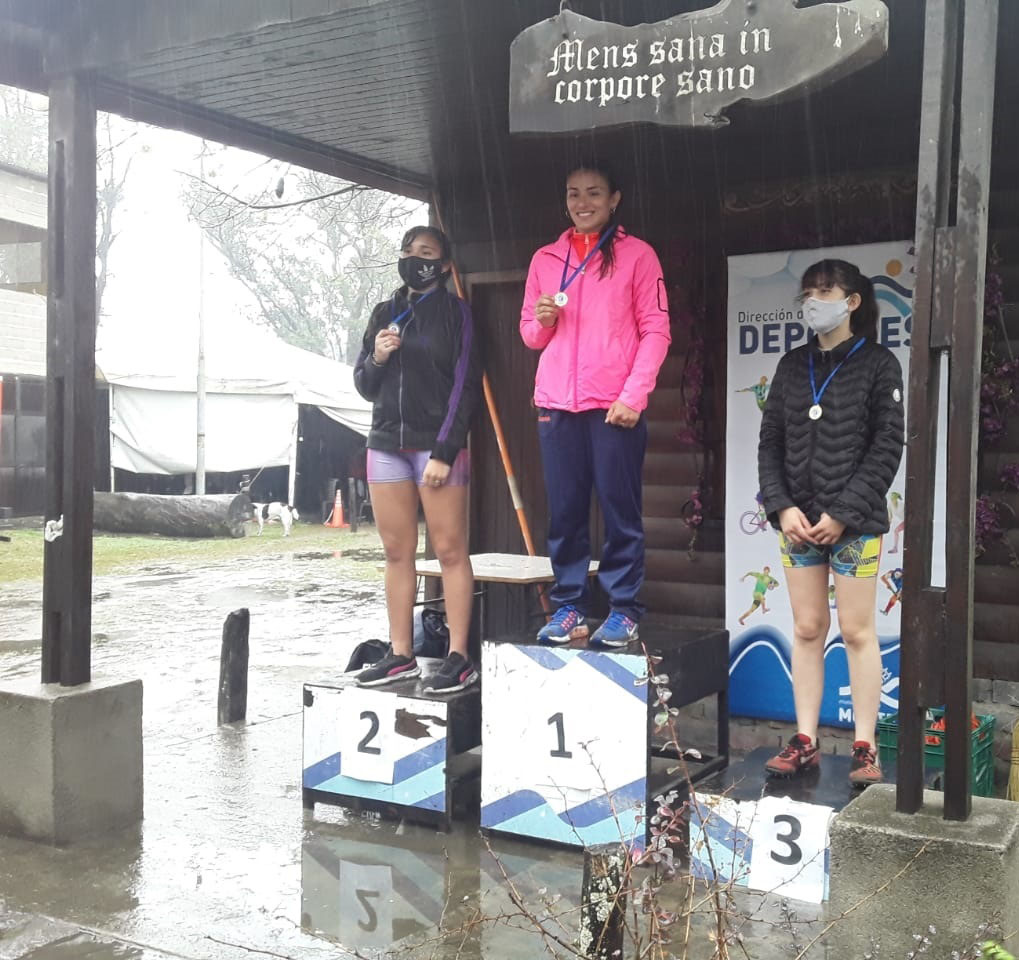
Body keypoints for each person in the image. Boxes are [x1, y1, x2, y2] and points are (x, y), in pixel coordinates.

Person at [757, 258, 904, 787]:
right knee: (806, 628)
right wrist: (782, 507)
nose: (814, 302)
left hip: (855, 524)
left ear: (852, 301)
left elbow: (887, 446)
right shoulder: (791, 365)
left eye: (825, 291)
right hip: (796, 522)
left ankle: (865, 746)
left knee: (857, 630)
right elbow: (770, 443)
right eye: (808, 293)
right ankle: (804, 740)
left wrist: (842, 513)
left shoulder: (880, 363)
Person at [520, 160, 671, 647]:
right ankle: (570, 606)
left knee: (619, 510)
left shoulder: (638, 255)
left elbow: (656, 330)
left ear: (614, 199)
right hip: (557, 403)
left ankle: (623, 608)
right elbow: (530, 335)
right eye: (573, 193)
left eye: (594, 192)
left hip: (614, 405)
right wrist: (543, 320)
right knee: (564, 512)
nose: (582, 203)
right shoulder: (546, 258)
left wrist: (633, 395)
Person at [352, 226, 482, 693]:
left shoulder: (456, 313)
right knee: (396, 552)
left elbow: (466, 385)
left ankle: (459, 656)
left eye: (426, 253)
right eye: (408, 251)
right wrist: (378, 357)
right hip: (385, 444)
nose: (415, 259)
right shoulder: (384, 312)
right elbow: (364, 384)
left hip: (437, 446)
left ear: (443, 265)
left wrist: (445, 451)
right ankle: (401, 654)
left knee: (449, 550)